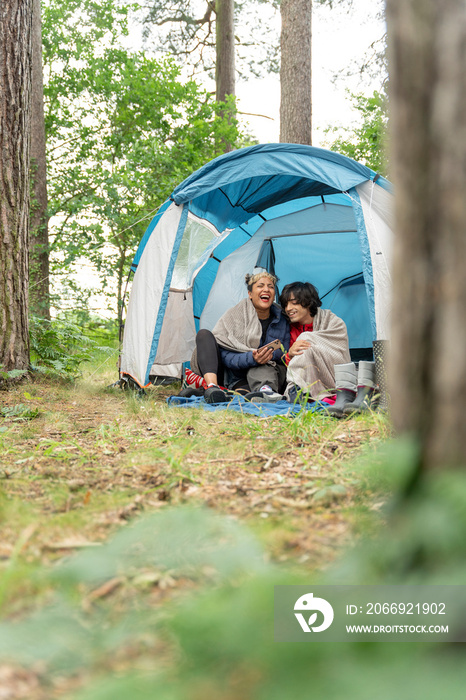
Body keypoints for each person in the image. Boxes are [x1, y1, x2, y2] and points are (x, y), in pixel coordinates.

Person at [187, 271, 290, 403]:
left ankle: (208, 393)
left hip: (262, 374)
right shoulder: (235, 315)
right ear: (250, 294)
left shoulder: (282, 318)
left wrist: (264, 356)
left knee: (245, 392)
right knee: (204, 335)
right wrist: (252, 357)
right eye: (260, 286)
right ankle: (212, 386)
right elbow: (224, 353)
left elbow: (285, 350)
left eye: (270, 286)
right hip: (230, 372)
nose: (266, 289)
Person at [278, 281, 351, 402]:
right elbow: (289, 366)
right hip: (299, 377)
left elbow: (340, 355)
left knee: (305, 339)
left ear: (307, 302)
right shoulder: (287, 329)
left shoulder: (332, 322)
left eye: (293, 303)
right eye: (286, 305)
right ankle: (297, 390)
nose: (288, 309)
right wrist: (289, 355)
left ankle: (298, 390)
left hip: (332, 375)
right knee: (304, 349)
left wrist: (308, 341)